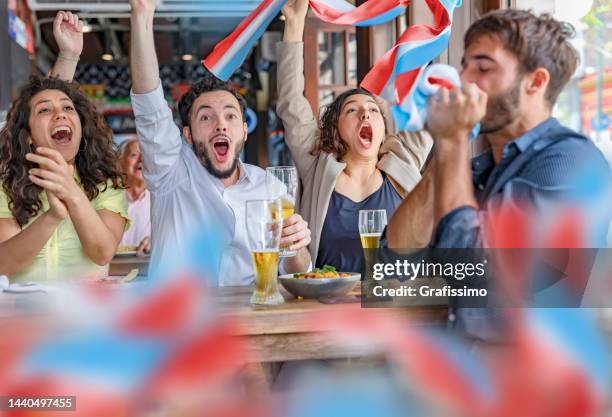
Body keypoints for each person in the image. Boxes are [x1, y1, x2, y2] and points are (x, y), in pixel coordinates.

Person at [385, 10, 611, 338]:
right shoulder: (478, 168)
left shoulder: (572, 162)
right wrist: (447, 149)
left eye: (483, 68)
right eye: (464, 66)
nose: (463, 80)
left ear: (535, 81)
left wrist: (453, 140)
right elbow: (391, 267)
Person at [128, 0, 311, 285]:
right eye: (205, 118)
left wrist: (296, 246)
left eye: (230, 116)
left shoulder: (270, 187)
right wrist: (142, 14)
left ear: (244, 130)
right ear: (188, 135)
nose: (220, 124)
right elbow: (149, 105)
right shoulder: (170, 175)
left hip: (254, 319)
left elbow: (296, 272)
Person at [278, 0, 433, 273]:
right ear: (336, 127)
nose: (365, 115)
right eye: (352, 110)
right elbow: (291, 100)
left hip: (398, 303)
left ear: (384, 127)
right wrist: (294, 22)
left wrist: (437, 23)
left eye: (373, 111)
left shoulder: (404, 157)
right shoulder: (317, 163)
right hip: (326, 304)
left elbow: (431, 101)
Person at [0, 12, 128, 283]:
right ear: (30, 135)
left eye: (68, 109)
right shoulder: (7, 185)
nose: (60, 115)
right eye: (45, 111)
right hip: (21, 319)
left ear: (81, 128)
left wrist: (71, 192)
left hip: (87, 319)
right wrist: (53, 216)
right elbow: (4, 265)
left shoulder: (107, 184)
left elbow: (102, 252)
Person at [118, 137, 151, 256]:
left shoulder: (160, 200)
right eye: (134, 155)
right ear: (119, 163)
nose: (142, 159)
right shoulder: (106, 199)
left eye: (146, 155)